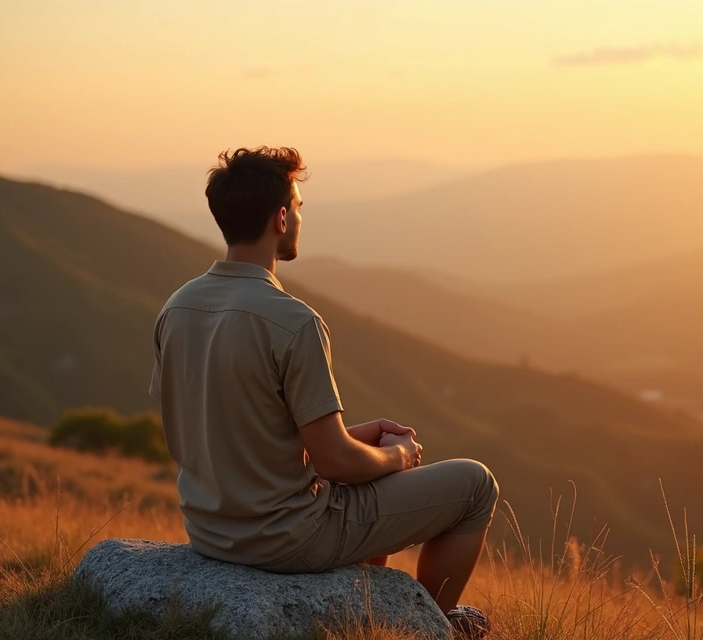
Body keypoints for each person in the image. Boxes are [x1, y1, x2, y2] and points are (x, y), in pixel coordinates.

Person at [149, 146, 498, 634]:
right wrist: (399, 455)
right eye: (298, 207)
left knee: (366, 469)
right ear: (281, 218)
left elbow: (225, 429)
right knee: (476, 484)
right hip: (288, 539)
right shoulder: (293, 321)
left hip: (210, 531)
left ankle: (374, 613)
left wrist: (355, 440)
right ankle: (432, 625)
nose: (299, 218)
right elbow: (335, 464)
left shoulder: (178, 307)